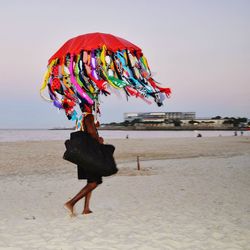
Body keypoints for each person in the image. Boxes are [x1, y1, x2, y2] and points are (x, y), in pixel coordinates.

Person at [64, 105, 104, 216]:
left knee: (90, 180)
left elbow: (87, 130)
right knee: (94, 182)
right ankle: (71, 203)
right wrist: (98, 139)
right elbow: (91, 132)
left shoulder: (80, 118)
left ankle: (86, 208)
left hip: (82, 153)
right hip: (89, 153)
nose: (94, 106)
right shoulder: (89, 116)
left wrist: (94, 126)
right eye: (92, 105)